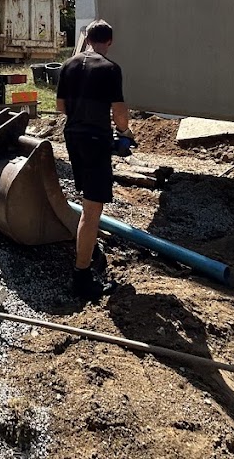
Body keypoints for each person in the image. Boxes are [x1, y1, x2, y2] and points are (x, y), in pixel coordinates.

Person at [55, 19, 133, 301]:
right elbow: (120, 111)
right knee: (92, 209)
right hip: (96, 140)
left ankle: (87, 255)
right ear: (109, 41)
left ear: (87, 39)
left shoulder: (68, 65)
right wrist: (124, 132)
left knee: (88, 200)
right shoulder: (111, 69)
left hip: (73, 138)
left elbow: (60, 107)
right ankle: (82, 276)